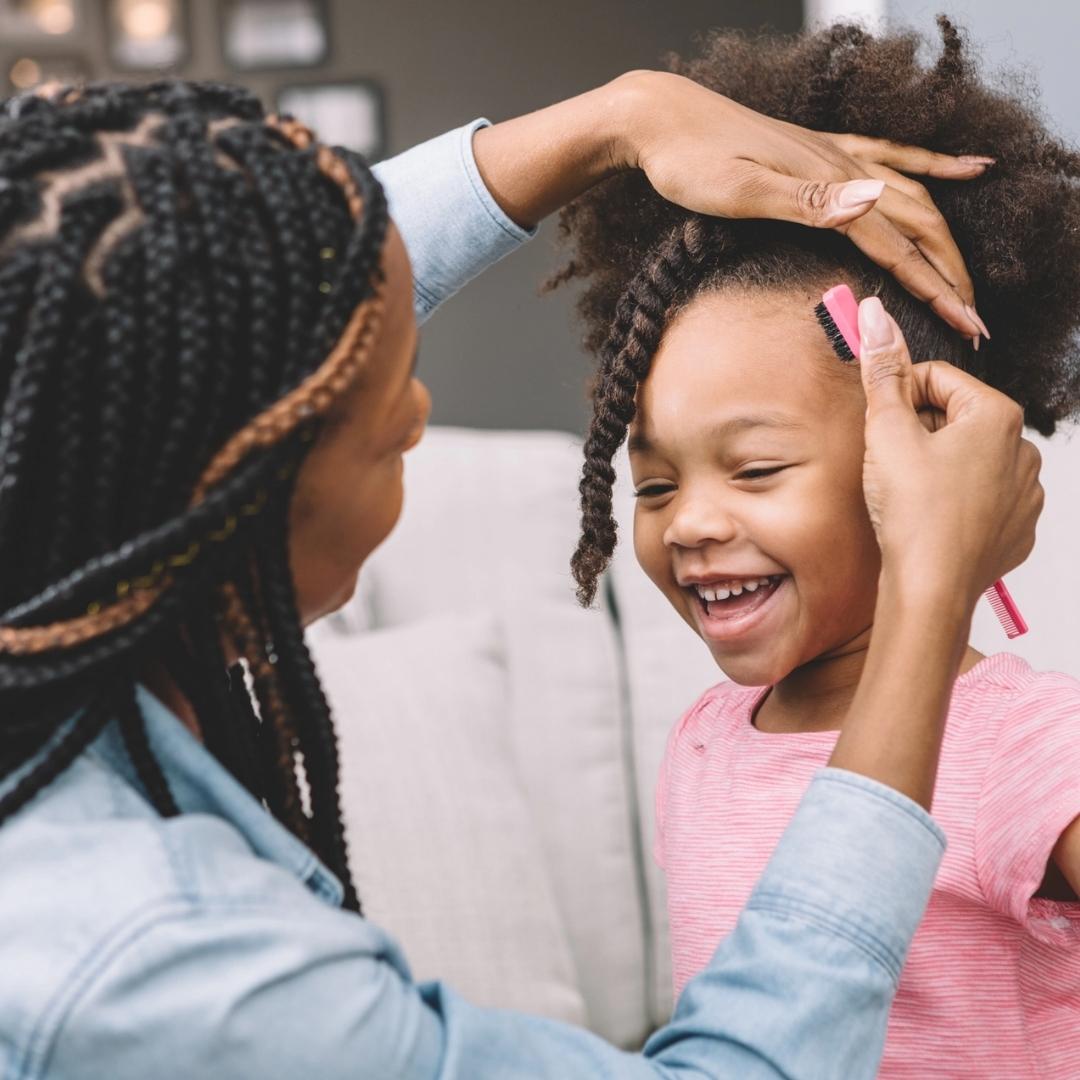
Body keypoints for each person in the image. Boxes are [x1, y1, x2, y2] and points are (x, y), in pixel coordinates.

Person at [0, 68, 1039, 1079]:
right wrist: (925, 582)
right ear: (231, 496)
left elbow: (236, 323)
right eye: (385, 427)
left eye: (756, 468)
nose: (417, 410)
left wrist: (625, 117)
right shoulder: (142, 959)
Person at [558, 18, 1079, 1078]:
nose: (691, 520)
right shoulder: (708, 737)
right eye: (654, 484)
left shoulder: (1022, 744)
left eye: (754, 470)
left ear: (920, 452)